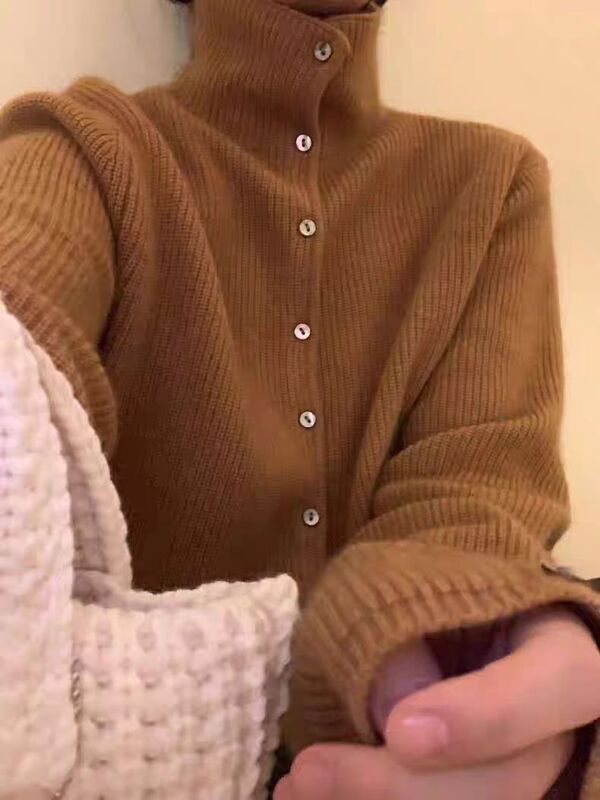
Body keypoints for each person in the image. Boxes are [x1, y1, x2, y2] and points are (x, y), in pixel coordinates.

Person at [0, 0, 598, 797]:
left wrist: (456, 632)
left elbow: (473, 497)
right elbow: (18, 363)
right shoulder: (81, 151)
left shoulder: (491, 184)